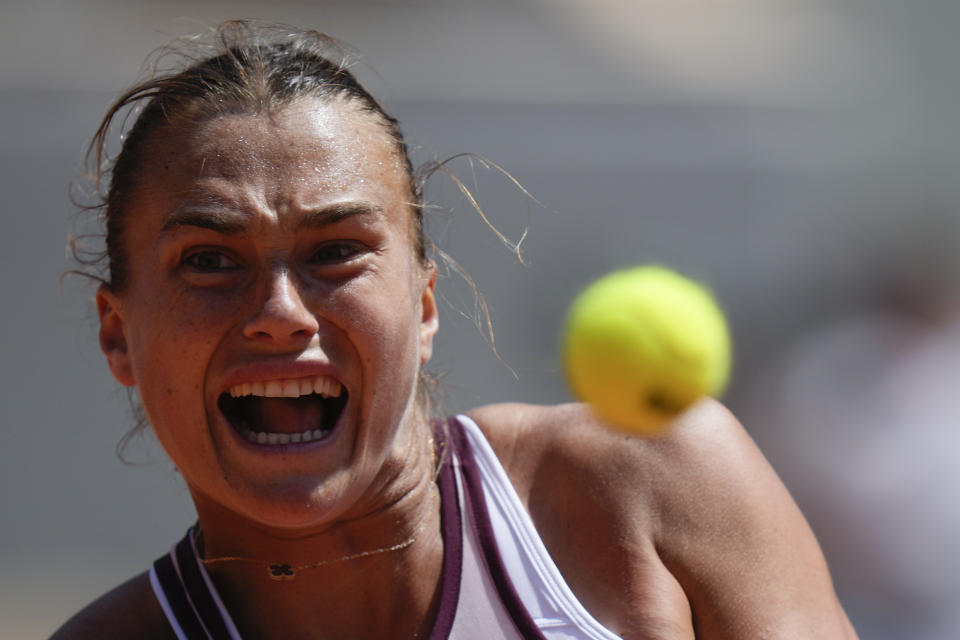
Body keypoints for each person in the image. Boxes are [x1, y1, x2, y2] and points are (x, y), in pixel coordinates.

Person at [53, 21, 857, 640]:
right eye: (208, 262)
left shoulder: (649, 482)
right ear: (117, 336)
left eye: (336, 252)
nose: (280, 314)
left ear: (426, 305)